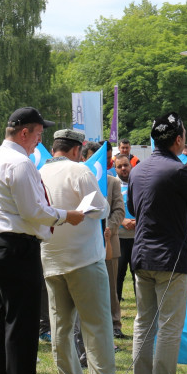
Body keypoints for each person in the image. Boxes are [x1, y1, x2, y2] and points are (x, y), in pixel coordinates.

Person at [0, 107, 85, 374]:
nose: (40, 140)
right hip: (15, 244)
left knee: (4, 316)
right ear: (24, 132)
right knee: (23, 320)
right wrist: (68, 215)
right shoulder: (19, 163)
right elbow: (33, 211)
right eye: (38, 133)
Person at [128, 112, 187, 374]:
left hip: (142, 255)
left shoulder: (137, 170)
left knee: (143, 324)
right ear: (178, 140)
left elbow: (132, 206)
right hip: (170, 257)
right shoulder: (179, 171)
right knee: (168, 326)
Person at [40, 130, 128, 374]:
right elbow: (101, 208)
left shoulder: (38, 172)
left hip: (51, 256)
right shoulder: (79, 171)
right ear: (77, 150)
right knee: (96, 322)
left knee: (60, 324)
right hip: (84, 258)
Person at [82, 142, 127, 340]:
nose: (105, 162)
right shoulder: (79, 180)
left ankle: (114, 324)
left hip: (109, 241)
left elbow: (119, 209)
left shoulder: (112, 182)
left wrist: (111, 227)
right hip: (83, 243)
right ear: (85, 158)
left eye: (107, 158)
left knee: (110, 287)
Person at [114, 154, 137, 301]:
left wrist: (137, 222)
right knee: (118, 274)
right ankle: (116, 304)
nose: (123, 168)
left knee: (138, 273)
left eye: (126, 165)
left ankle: (141, 303)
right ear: (115, 168)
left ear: (131, 165)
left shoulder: (139, 182)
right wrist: (122, 221)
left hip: (137, 237)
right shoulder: (112, 184)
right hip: (120, 237)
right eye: (119, 166)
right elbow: (108, 207)